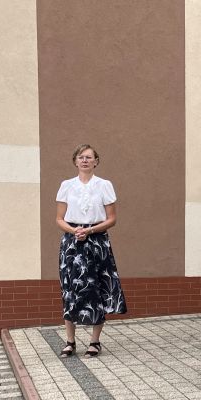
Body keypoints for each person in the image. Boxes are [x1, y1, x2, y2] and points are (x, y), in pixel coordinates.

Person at [56, 144, 127, 358]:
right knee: (70, 289)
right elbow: (59, 218)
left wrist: (90, 230)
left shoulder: (104, 185)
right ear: (75, 161)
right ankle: (70, 341)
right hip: (72, 243)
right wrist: (74, 231)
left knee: (97, 287)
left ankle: (95, 341)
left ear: (96, 161)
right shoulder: (66, 185)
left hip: (97, 241)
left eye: (89, 157)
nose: (85, 160)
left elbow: (112, 219)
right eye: (81, 157)